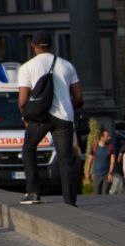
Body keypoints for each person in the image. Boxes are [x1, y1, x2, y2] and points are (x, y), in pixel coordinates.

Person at [16, 31, 82, 206]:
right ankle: (69, 200)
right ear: (51, 45)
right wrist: (68, 106)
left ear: (34, 46)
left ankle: (33, 192)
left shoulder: (27, 67)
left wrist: (26, 117)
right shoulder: (67, 66)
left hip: (39, 118)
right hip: (64, 117)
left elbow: (22, 100)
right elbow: (78, 97)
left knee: (29, 148)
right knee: (65, 158)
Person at [89, 130, 113, 195]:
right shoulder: (94, 147)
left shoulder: (110, 147)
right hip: (96, 175)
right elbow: (90, 160)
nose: (109, 137)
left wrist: (110, 173)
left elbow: (112, 161)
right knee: (97, 194)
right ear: (102, 137)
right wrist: (87, 172)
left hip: (106, 175)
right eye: (107, 136)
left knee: (105, 193)